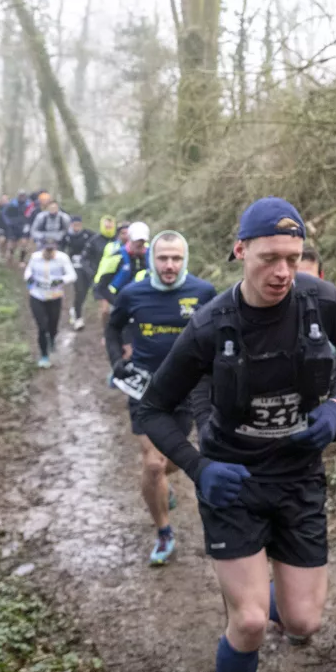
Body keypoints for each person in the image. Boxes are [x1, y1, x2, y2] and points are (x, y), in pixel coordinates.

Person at [134, 197, 336, 672]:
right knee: (251, 621)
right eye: (269, 258)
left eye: (292, 259)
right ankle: (249, 600)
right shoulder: (209, 325)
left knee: (303, 621)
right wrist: (199, 468)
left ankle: (268, 586)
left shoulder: (322, 301)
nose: (282, 272)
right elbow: (153, 408)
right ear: (240, 250)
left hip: (299, 476)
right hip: (233, 481)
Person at [105, 230, 216, 566]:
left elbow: (218, 335)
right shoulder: (132, 293)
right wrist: (116, 360)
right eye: (163, 258)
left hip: (185, 389)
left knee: (172, 459)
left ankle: (159, 485)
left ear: (185, 259)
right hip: (144, 387)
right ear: (152, 259)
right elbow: (113, 327)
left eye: (176, 258)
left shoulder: (203, 292)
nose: (169, 265)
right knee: (152, 463)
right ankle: (164, 532)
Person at [24, 238, 77, 368]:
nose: (49, 253)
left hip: (54, 297)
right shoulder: (35, 258)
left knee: (53, 325)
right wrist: (30, 279)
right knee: (42, 327)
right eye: (46, 250)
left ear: (55, 248)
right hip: (37, 296)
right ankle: (44, 356)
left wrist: (59, 281)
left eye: (51, 250)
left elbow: (72, 275)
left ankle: (52, 340)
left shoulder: (62, 258)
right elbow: (28, 272)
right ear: (42, 249)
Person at [61, 216, 96, 330]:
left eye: (78, 224)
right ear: (71, 225)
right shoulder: (67, 236)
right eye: (74, 224)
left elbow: (96, 244)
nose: (76, 227)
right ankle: (78, 318)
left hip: (87, 267)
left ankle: (75, 308)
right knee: (79, 290)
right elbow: (61, 250)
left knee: (85, 291)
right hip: (74, 267)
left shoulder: (88, 234)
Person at [93, 222, 131, 327]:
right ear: (118, 235)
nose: (126, 236)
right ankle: (106, 331)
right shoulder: (111, 247)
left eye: (128, 233)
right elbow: (105, 265)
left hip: (126, 284)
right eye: (123, 233)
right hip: (107, 282)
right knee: (105, 311)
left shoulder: (141, 247)